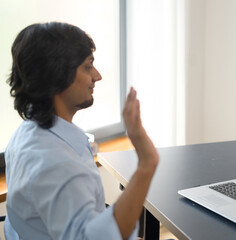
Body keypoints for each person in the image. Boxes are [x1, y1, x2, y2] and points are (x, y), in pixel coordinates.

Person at [5, 22, 159, 240]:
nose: (97, 76)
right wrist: (147, 162)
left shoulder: (27, 133)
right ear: (57, 75)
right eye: (88, 66)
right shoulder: (57, 164)